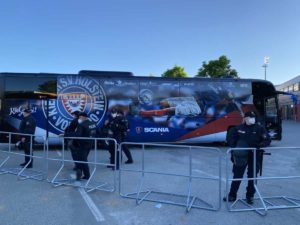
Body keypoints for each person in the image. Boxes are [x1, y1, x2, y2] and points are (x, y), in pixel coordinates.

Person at [224, 111, 271, 204]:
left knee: (252, 176)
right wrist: (236, 149)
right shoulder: (238, 128)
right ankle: (232, 195)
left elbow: (267, 140)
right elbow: (231, 140)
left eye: (253, 117)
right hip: (241, 156)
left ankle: (250, 196)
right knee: (237, 175)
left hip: (255, 155)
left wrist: (260, 145)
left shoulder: (259, 128)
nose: (252, 119)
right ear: (245, 118)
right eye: (250, 117)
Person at [65, 112, 97, 180]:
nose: (79, 119)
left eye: (79, 118)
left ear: (82, 117)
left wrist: (66, 135)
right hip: (90, 144)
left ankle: (86, 176)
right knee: (83, 159)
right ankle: (83, 175)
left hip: (82, 145)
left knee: (82, 160)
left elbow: (77, 135)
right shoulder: (93, 123)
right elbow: (97, 132)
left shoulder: (82, 125)